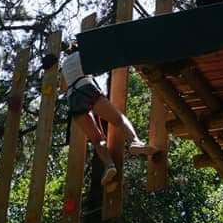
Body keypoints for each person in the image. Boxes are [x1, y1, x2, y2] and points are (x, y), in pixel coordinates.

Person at [44, 42, 157, 186]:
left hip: (73, 98)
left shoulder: (65, 64)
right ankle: (135, 142)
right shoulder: (83, 55)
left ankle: (109, 166)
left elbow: (63, 89)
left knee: (96, 139)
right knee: (119, 119)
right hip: (86, 87)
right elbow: (98, 67)